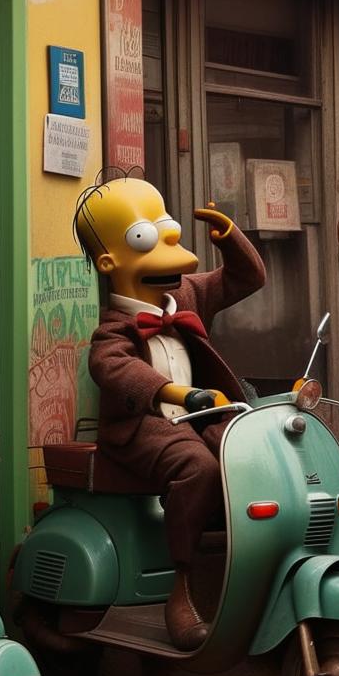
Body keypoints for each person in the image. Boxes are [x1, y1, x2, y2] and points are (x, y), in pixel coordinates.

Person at [75, 172, 266, 650]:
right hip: (143, 428)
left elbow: (247, 278)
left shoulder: (184, 296)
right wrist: (181, 395)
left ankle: (252, 564)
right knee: (197, 466)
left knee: (247, 453)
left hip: (199, 418)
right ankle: (181, 585)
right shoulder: (112, 330)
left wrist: (230, 238)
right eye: (144, 235)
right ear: (108, 261)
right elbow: (114, 369)